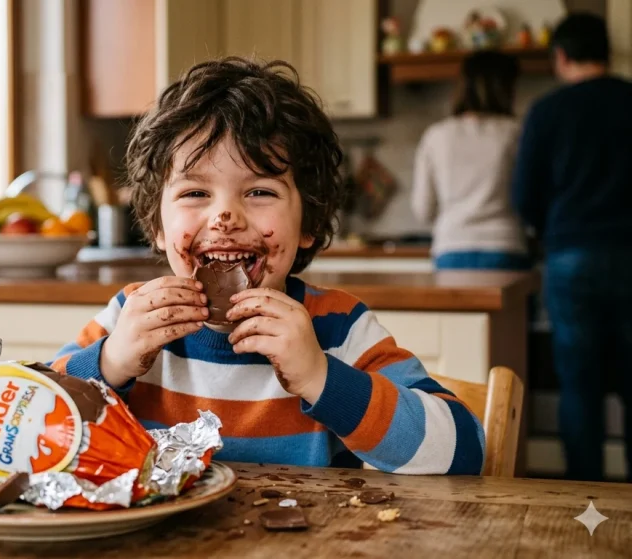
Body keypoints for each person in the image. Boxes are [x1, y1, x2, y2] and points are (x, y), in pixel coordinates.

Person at [49, 57, 485, 474]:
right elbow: (31, 420)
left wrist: (321, 377)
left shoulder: (338, 329)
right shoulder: (130, 318)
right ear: (158, 225)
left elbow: (466, 451)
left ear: (308, 221)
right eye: (195, 193)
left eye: (260, 192)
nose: (225, 216)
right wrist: (109, 364)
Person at [512, 13, 632, 482]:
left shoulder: (548, 111)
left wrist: (552, 231)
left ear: (560, 56)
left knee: (579, 384)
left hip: (570, 256)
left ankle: (586, 498)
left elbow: (525, 195)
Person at [412, 51, 529, 271]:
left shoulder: (437, 135)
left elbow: (423, 210)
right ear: (507, 89)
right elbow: (529, 200)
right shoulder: (516, 133)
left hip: (451, 247)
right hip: (505, 245)